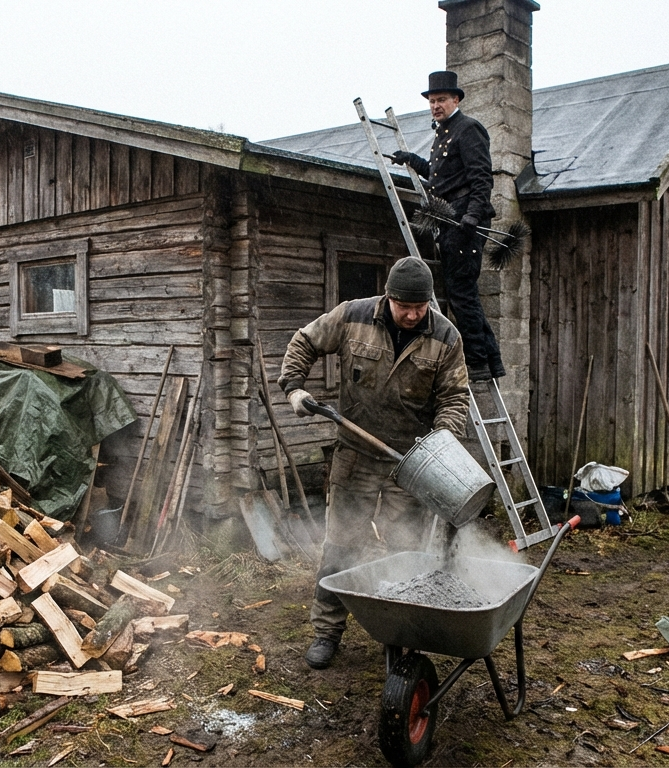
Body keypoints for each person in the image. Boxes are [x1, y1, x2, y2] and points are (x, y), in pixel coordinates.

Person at [279, 256, 470, 669]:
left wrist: (442, 441)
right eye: (405, 306)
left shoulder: (445, 336)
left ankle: (399, 637)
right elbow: (305, 340)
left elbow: (455, 398)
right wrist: (294, 387)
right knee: (341, 545)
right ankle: (327, 632)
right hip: (356, 454)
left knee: (405, 550)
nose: (412, 314)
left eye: (419, 307)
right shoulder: (353, 315)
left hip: (411, 463)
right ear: (389, 297)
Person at [390, 70, 504, 382]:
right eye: (432, 100)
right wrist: (411, 159)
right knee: (458, 292)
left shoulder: (468, 129)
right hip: (451, 218)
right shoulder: (443, 134)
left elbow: (482, 179)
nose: (435, 105)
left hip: (465, 218)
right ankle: (489, 360)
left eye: (441, 99)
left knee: (462, 293)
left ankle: (478, 361)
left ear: (456, 100)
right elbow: (442, 179)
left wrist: (472, 217)